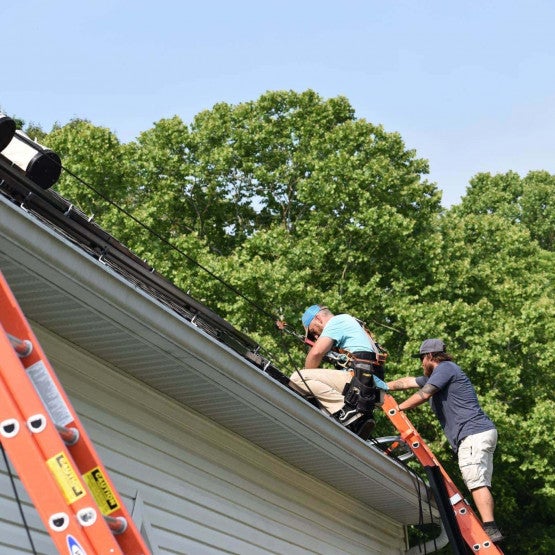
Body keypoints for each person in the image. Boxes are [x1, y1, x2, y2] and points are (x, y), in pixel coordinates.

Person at [386, 338, 503, 543]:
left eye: (422, 358)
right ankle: (490, 525)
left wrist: (399, 409)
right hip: (478, 432)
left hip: (473, 433)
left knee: (476, 481)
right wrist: (382, 386)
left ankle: (490, 528)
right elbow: (407, 382)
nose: (421, 363)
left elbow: (424, 394)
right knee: (477, 479)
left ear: (430, 356)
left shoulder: (446, 368)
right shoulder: (440, 374)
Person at [289, 304, 386, 440]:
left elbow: (315, 353)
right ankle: (354, 419)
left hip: (359, 382)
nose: (316, 336)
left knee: (297, 379)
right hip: (373, 389)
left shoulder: (336, 321)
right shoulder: (352, 323)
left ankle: (348, 412)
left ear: (318, 318)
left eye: (313, 331)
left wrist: (306, 378)